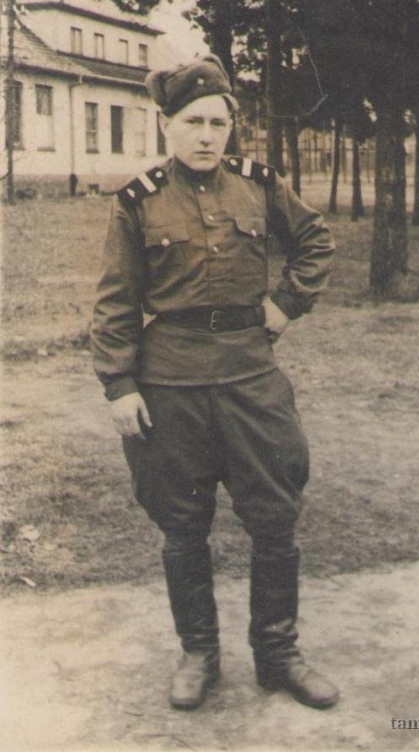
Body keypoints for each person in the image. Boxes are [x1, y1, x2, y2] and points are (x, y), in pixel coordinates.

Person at [91, 55, 339, 711]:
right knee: (182, 523)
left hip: (250, 376)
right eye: (192, 122)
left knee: (276, 517)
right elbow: (116, 302)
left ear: (232, 127)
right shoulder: (138, 200)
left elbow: (315, 240)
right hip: (170, 381)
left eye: (217, 123)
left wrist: (286, 304)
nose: (206, 136)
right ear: (166, 125)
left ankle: (279, 655)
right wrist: (119, 386)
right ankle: (198, 654)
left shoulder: (258, 185)